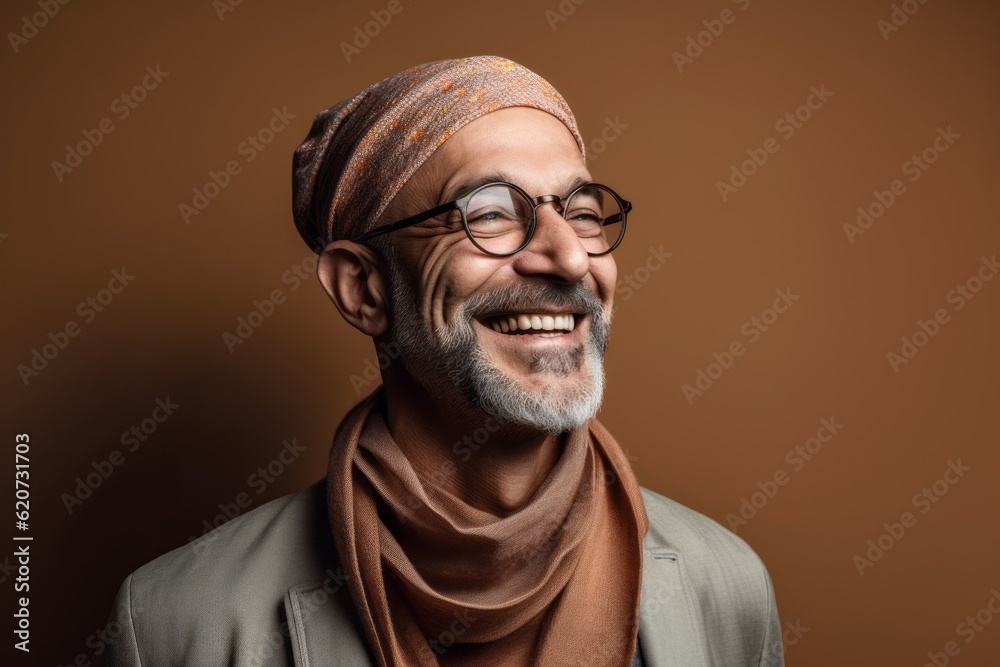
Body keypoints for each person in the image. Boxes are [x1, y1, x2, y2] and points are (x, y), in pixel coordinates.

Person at [97, 55, 783, 667]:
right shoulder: (172, 624)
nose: (570, 256)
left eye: (580, 210)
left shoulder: (726, 587)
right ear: (364, 288)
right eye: (487, 212)